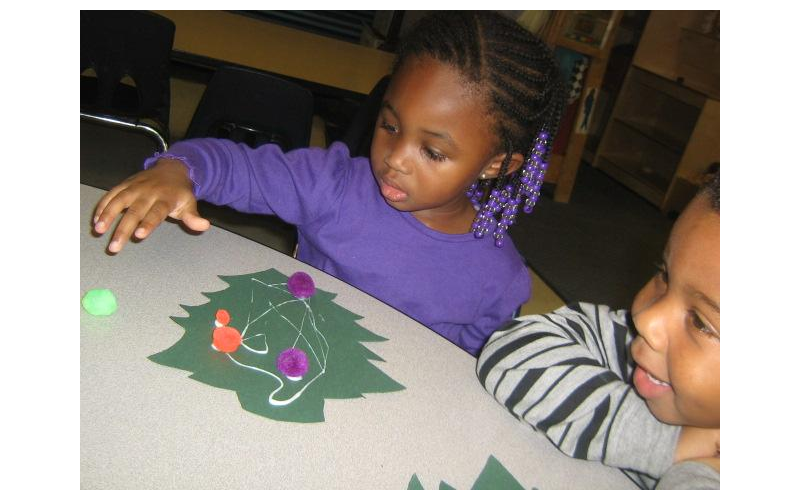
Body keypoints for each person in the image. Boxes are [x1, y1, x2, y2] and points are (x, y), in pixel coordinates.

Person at [92, 11, 565, 356]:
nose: (394, 159)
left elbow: (467, 374)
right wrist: (178, 169)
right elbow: (240, 166)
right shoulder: (334, 184)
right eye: (389, 125)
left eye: (433, 152)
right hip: (279, 353)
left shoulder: (499, 279)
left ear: (498, 164)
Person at [477, 168, 720, 488]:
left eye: (702, 323)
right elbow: (510, 348)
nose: (647, 319)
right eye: (664, 274)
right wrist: (667, 444)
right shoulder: (635, 348)